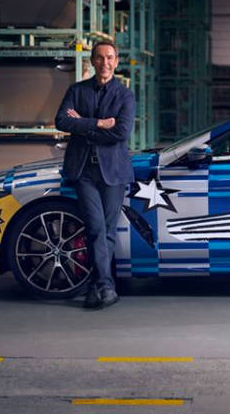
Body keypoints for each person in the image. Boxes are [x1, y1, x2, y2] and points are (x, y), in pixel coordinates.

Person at [55, 41, 135, 309]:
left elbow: (121, 132)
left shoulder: (125, 96)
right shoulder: (76, 91)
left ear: (117, 61)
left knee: (107, 231)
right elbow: (62, 121)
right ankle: (106, 286)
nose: (105, 63)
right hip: (83, 171)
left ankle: (96, 286)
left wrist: (82, 125)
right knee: (96, 227)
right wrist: (99, 123)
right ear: (92, 61)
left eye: (110, 57)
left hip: (113, 172)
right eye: (100, 58)